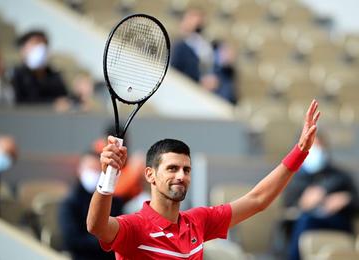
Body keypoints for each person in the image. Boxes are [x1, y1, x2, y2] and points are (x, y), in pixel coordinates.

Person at [86, 100, 320, 259]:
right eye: (172, 168)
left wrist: (300, 151)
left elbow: (258, 199)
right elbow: (96, 226)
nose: (181, 176)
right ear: (150, 175)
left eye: (186, 170)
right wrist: (108, 176)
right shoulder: (134, 227)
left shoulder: (198, 221)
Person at [284, 133, 359, 260]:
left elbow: (356, 202)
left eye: (318, 146)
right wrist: (303, 203)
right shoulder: (295, 178)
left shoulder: (340, 175)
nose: (315, 151)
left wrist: (346, 200)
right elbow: (288, 206)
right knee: (305, 220)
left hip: (337, 221)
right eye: (311, 146)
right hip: (306, 222)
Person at [59, 150, 125, 260]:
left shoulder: (114, 202)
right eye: (90, 169)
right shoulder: (70, 203)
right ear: (79, 171)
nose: (93, 173)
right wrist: (102, 241)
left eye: (97, 170)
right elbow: (71, 240)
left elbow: (119, 233)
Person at [10, 30, 69, 105]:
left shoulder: (55, 76)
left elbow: (64, 99)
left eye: (43, 44)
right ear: (23, 50)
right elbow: (18, 102)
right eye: (35, 43)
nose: (40, 48)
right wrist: (52, 103)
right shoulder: (15, 75)